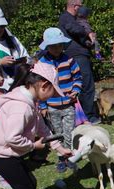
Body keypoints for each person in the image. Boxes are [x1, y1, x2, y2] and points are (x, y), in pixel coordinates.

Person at [38, 27, 82, 173]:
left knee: (69, 132)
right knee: (57, 132)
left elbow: (77, 77)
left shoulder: (69, 59)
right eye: (53, 46)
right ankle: (60, 157)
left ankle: (69, 157)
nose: (57, 49)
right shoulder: (42, 63)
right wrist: (43, 105)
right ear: (47, 47)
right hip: (52, 106)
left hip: (68, 104)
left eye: (59, 45)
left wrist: (75, 91)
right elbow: (40, 87)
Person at [59, 0, 100, 124]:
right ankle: (88, 117)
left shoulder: (72, 18)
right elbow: (74, 28)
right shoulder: (66, 18)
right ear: (74, 6)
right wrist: (88, 33)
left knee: (83, 86)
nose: (81, 9)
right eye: (80, 6)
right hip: (77, 56)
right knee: (86, 86)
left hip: (81, 55)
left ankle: (83, 116)